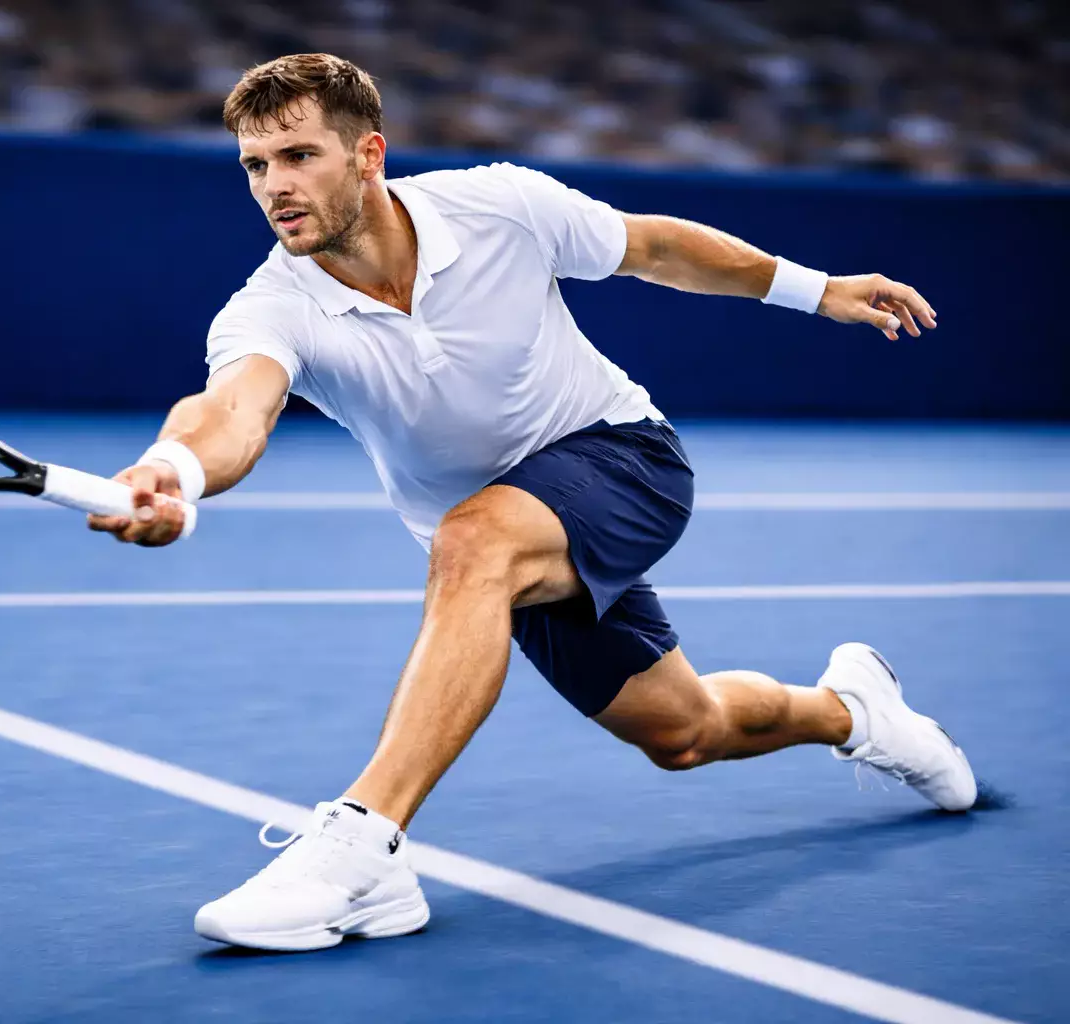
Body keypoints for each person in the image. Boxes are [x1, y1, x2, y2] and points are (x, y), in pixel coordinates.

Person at [86, 53, 976, 953]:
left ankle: (364, 849)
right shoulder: (269, 309)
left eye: (300, 155)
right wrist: (177, 469)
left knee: (472, 541)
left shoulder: (498, 204)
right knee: (683, 731)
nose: (275, 185)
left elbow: (656, 247)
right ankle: (858, 711)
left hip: (621, 460)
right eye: (255, 166)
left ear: (368, 155)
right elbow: (233, 410)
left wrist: (815, 289)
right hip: (507, 543)